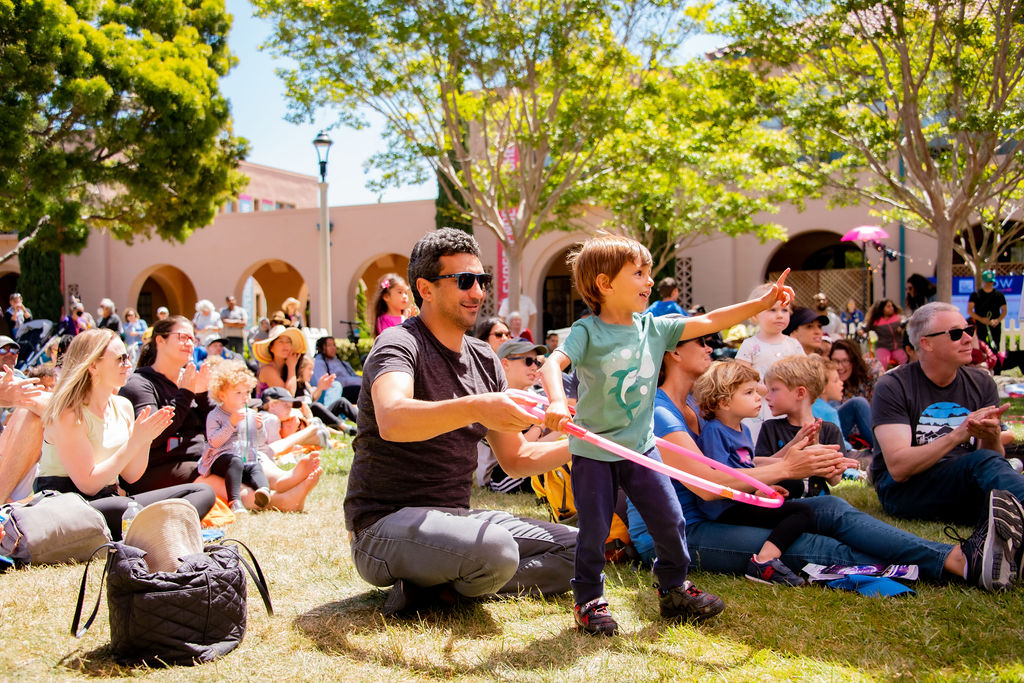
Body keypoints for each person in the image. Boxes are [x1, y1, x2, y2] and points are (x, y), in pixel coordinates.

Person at [540, 232, 795, 635]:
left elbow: (710, 321)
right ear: (605, 284)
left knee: (671, 520)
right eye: (638, 273)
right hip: (593, 452)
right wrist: (556, 401)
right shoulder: (587, 331)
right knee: (593, 531)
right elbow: (552, 365)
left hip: (642, 450)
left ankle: (674, 589)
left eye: (649, 273)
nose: (649, 282)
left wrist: (760, 305)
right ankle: (588, 600)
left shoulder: (654, 328)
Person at [627, 334, 1020, 592]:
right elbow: (707, 486)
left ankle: (965, 558)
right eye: (702, 341)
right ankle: (957, 563)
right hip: (682, 532)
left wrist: (796, 457)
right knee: (813, 544)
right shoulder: (660, 413)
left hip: (722, 511)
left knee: (829, 506)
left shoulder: (697, 404)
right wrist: (786, 469)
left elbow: (731, 463)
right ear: (673, 352)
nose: (712, 347)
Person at [344, 228, 577, 619]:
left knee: (580, 550)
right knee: (497, 550)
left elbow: (515, 458)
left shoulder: (485, 358)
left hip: (456, 521)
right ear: (426, 288)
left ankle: (440, 588)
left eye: (481, 280)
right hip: (382, 525)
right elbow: (392, 418)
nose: (478, 293)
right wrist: (477, 406)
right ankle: (454, 577)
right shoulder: (399, 344)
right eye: (464, 281)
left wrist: (583, 447)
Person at [35, 329, 215, 540]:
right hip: (67, 504)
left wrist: (146, 438)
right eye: (120, 359)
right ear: (93, 365)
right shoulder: (69, 413)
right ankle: (159, 528)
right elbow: (89, 485)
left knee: (202, 493)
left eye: (128, 357)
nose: (128, 364)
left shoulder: (123, 406)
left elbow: (132, 475)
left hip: (109, 501)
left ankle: (154, 528)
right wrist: (135, 441)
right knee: (125, 506)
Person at [871, 302, 1024, 533]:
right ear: (926, 343)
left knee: (994, 481)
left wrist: (991, 435)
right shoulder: (893, 386)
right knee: (986, 470)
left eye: (968, 330)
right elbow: (899, 467)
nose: (967, 339)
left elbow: (990, 456)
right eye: (955, 333)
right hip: (905, 489)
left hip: (965, 478)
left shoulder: (981, 383)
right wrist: (956, 435)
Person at [691, 360, 814, 586]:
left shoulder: (743, 429)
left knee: (794, 486)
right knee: (802, 512)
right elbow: (723, 477)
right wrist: (757, 491)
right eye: (749, 392)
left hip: (743, 499)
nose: (759, 397)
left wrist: (762, 489)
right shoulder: (715, 431)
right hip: (726, 508)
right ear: (724, 402)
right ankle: (764, 561)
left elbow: (747, 469)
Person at [757, 354, 847, 497]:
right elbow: (758, 468)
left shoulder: (829, 430)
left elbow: (835, 480)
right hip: (784, 505)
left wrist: (816, 450)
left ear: (800, 393)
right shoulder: (770, 428)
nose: (767, 396)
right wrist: (795, 444)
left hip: (820, 502)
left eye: (774, 390)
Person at [476, 339, 554, 493]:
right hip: (500, 477)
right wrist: (543, 423)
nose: (534, 367)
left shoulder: (533, 396)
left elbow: (538, 444)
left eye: (537, 363)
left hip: (522, 466)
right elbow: (520, 448)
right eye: (528, 361)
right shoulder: (495, 399)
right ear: (505, 364)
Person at [201, 358, 272, 513]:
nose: (245, 397)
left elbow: (260, 442)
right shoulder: (215, 415)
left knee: (255, 465)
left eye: (247, 392)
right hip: (221, 459)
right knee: (236, 462)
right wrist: (231, 424)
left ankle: (264, 490)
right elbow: (214, 442)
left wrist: (259, 427)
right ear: (222, 395)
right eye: (238, 393)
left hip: (245, 456)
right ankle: (235, 501)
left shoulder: (249, 413)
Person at [252, 325, 306, 398]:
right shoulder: (267, 370)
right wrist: (291, 367)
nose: (285, 345)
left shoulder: (286, 368)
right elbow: (288, 396)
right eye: (280, 341)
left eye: (288, 342)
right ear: (271, 348)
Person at [311, 335, 362, 404]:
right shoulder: (319, 363)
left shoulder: (341, 362)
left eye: (334, 345)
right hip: (337, 392)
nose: (333, 348)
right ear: (321, 348)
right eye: (329, 345)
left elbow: (353, 375)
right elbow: (324, 385)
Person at [968, 270, 1007, 352]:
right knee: (981, 347)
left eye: (991, 282)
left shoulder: (999, 295)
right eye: (988, 281)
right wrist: (981, 319)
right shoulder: (975, 295)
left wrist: (997, 320)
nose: (990, 283)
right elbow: (970, 311)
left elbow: (1004, 311)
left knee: (995, 348)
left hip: (994, 326)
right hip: (980, 326)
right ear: (983, 281)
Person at [865, 299, 906, 369]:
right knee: (881, 363)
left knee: (905, 361)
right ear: (882, 309)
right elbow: (865, 328)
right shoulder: (876, 322)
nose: (891, 308)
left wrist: (902, 327)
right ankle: (880, 378)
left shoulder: (898, 318)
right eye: (888, 306)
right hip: (883, 347)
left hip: (897, 347)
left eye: (892, 306)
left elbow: (906, 322)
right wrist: (860, 331)